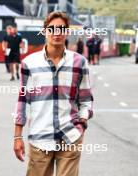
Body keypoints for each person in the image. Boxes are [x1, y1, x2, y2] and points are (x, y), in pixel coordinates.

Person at [13, 12, 93, 176]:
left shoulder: (79, 62)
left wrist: (82, 122)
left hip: (70, 137)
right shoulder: (29, 63)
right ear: (44, 31)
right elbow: (22, 101)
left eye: (61, 29)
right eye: (52, 28)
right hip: (40, 138)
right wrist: (17, 137)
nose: (57, 32)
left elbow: (85, 99)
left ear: (67, 31)